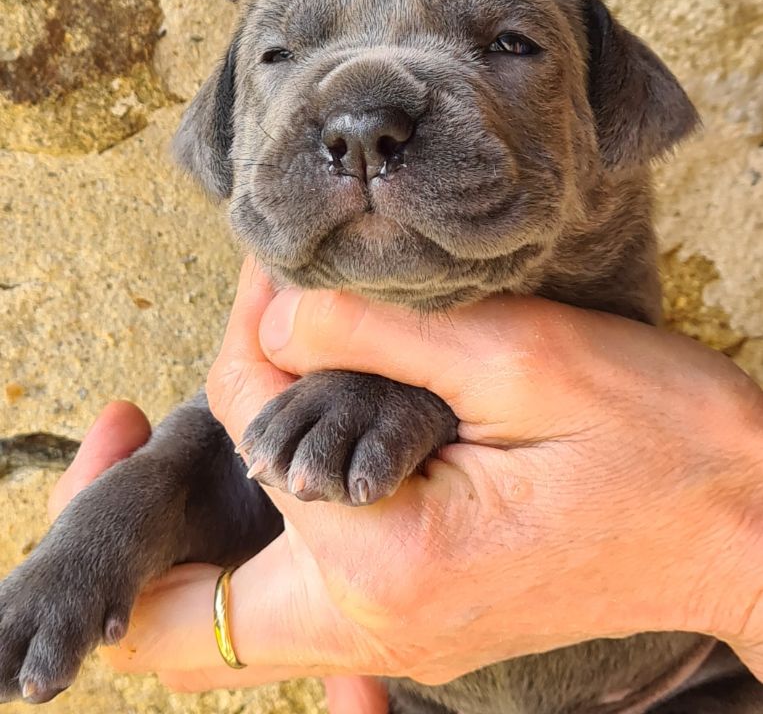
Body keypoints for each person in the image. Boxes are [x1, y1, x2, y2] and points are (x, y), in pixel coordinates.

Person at [50, 259, 763, 714]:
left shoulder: (578, 269)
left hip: (686, 679)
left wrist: (734, 568)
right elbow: (219, 470)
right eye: (280, 56)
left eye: (506, 47)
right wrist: (99, 543)